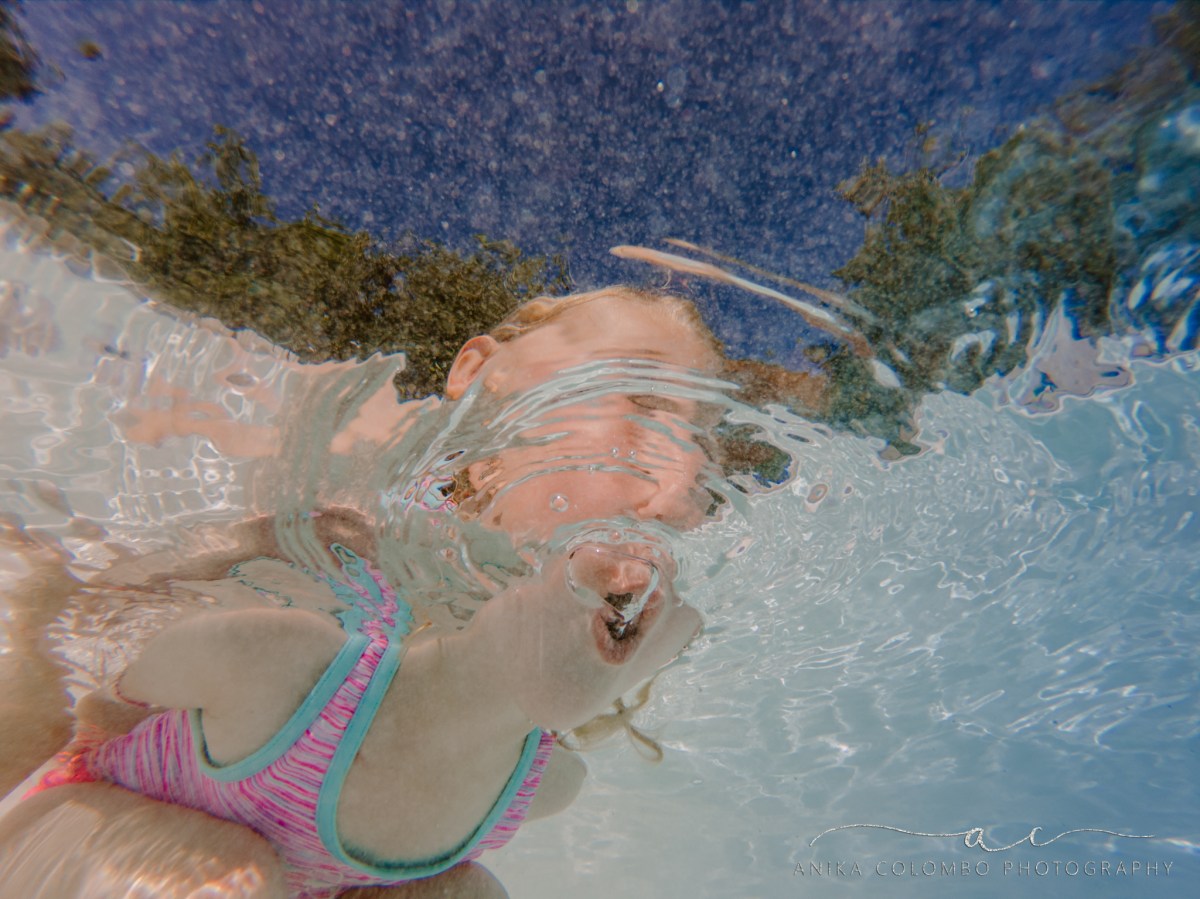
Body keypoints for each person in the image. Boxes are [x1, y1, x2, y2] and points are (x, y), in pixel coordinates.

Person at [0, 286, 727, 898]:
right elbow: (82, 645)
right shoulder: (348, 514)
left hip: (335, 866)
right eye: (638, 398)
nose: (684, 475)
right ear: (481, 374)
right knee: (218, 875)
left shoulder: (555, 712)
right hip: (108, 819)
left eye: (708, 441)